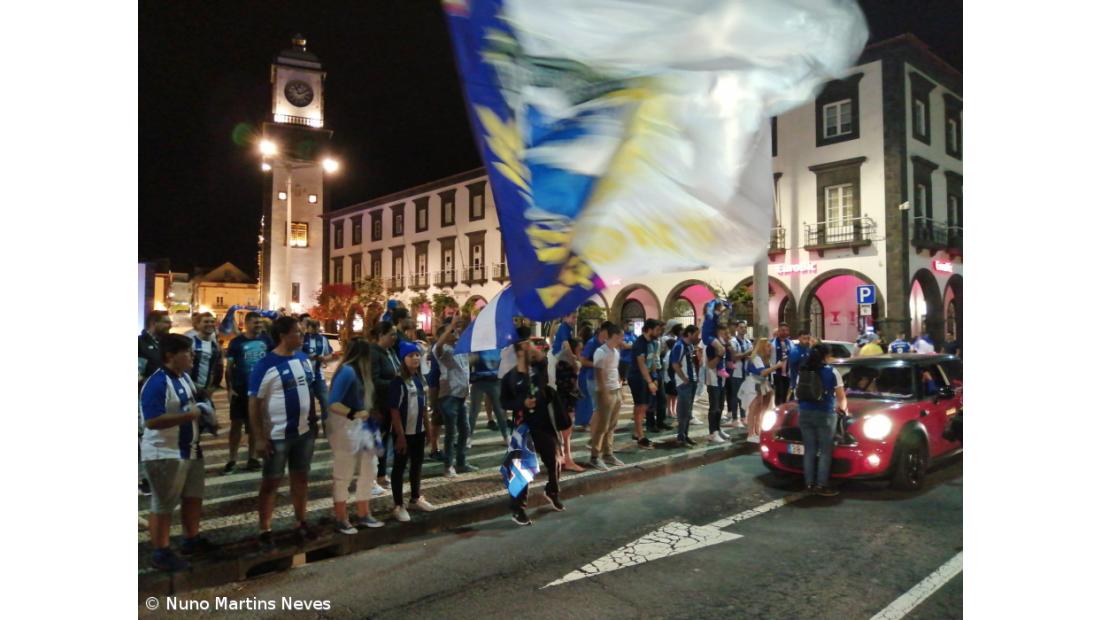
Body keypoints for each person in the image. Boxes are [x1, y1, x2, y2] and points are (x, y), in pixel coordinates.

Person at [140, 333, 217, 571]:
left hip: (190, 450)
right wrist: (188, 416)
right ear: (170, 356)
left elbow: (193, 402)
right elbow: (152, 421)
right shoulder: (157, 382)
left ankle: (190, 539)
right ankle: (160, 551)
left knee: (193, 497)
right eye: (187, 352)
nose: (192, 356)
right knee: (163, 504)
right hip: (166, 453)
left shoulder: (183, 377)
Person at [250, 316, 318, 550]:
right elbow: (254, 403)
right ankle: (265, 529)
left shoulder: (302, 358)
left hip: (304, 432)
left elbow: (309, 388)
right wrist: (259, 437)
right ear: (283, 336)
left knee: (301, 478)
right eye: (297, 333)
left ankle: (301, 522)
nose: (302, 336)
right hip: (277, 435)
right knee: (271, 482)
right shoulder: (266, 365)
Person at [502, 326, 566, 525]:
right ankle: (518, 509)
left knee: (554, 458)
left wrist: (529, 347)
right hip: (523, 427)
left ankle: (552, 490)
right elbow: (504, 402)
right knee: (521, 469)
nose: (529, 348)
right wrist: (522, 404)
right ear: (518, 351)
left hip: (543, 423)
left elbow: (541, 358)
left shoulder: (538, 369)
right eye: (525, 346)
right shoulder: (510, 377)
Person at [326, 338, 385, 534]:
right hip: (347, 428)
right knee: (344, 474)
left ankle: (363, 513)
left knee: (369, 470)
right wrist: (354, 413)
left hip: (362, 426)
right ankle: (342, 518)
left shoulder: (357, 372)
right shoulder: (348, 372)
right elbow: (333, 403)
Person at [388, 340, 436, 523]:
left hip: (419, 431)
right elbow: (394, 410)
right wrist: (400, 436)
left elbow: (424, 408)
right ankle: (398, 505)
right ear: (403, 359)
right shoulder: (398, 382)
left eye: (417, 355)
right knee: (399, 468)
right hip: (403, 432)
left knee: (417, 465)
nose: (415, 358)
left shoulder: (419, 379)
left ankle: (415, 498)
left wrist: (429, 430)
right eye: (410, 356)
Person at [223, 312, 273, 474]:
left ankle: (252, 458)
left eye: (260, 323)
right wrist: (230, 388)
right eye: (255, 323)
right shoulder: (236, 343)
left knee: (254, 425)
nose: (258, 326)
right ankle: (232, 459)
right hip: (241, 388)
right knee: (236, 424)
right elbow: (229, 367)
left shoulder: (267, 340)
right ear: (246, 324)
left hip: (260, 390)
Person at [795, 343, 847, 496]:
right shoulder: (832, 372)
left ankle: (809, 484)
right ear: (826, 356)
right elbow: (841, 397)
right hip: (824, 414)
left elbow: (798, 392)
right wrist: (841, 410)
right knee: (825, 451)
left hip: (804, 413)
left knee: (809, 450)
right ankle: (821, 485)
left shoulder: (803, 371)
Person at [138, 310, 174, 495]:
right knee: (146, 438)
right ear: (153, 323)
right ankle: (146, 479)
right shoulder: (140, 344)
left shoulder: (164, 343)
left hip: (165, 398)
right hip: (144, 400)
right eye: (166, 322)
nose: (170, 325)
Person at [435, 318, 476, 477]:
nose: (455, 333)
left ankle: (461, 463)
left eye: (455, 331)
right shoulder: (444, 351)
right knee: (451, 432)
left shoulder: (461, 349)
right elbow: (438, 346)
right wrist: (449, 328)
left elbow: (470, 360)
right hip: (449, 397)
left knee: (464, 430)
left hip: (461, 396)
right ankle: (448, 466)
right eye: (452, 332)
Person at [370, 321, 402, 495]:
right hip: (379, 404)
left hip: (391, 402)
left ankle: (382, 473)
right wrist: (395, 383)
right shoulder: (374, 353)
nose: (394, 338)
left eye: (396, 334)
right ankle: (373, 477)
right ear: (381, 335)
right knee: (378, 440)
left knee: (386, 439)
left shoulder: (390, 352)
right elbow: (374, 381)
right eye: (391, 334)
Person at [589, 324, 626, 469]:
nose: (622, 339)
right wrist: (603, 391)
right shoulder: (601, 351)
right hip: (605, 391)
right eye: (620, 336)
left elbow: (614, 370)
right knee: (602, 426)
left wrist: (620, 389)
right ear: (613, 336)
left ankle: (608, 453)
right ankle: (594, 456)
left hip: (615, 389)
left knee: (612, 425)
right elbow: (598, 373)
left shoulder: (615, 351)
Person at [740, 338, 783, 443]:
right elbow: (762, 372)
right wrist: (777, 366)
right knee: (753, 409)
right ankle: (750, 434)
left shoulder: (765, 359)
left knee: (759, 409)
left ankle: (757, 432)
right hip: (752, 384)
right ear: (762, 347)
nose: (770, 349)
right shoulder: (756, 358)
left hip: (760, 384)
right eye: (768, 347)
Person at [626, 319, 661, 448]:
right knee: (640, 406)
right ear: (649, 329)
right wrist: (649, 381)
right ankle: (640, 435)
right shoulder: (640, 343)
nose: (659, 332)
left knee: (644, 405)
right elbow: (641, 364)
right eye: (657, 330)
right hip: (637, 377)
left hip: (646, 377)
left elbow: (651, 362)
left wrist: (655, 376)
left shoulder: (652, 343)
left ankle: (637, 431)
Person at [555, 338, 586, 472]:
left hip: (567, 399)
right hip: (565, 400)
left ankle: (563, 458)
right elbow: (568, 385)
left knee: (565, 432)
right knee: (566, 432)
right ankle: (567, 460)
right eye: (579, 349)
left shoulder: (565, 362)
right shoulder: (565, 364)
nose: (581, 352)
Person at [468, 347, 509, 445]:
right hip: (479, 381)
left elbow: (504, 363)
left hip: (494, 381)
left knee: (499, 410)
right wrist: (473, 358)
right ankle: (468, 437)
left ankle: (506, 436)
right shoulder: (477, 347)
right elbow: (469, 362)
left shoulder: (498, 347)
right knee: (474, 410)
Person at [669, 324, 701, 446]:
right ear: (689, 334)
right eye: (696, 335)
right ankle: (681, 437)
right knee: (683, 411)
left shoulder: (690, 346)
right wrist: (683, 378)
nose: (697, 337)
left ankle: (685, 435)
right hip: (684, 383)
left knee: (688, 410)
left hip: (691, 380)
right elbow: (675, 364)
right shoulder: (679, 346)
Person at [301, 319, 336, 429]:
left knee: (325, 400)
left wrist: (324, 358)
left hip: (318, 375)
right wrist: (308, 357)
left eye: (317, 327)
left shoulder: (323, 339)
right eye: (313, 327)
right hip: (304, 376)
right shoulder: (302, 338)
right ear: (308, 327)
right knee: (307, 404)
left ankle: (327, 426)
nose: (315, 329)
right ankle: (310, 427)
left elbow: (330, 354)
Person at [578, 321, 612, 433]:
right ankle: (588, 426)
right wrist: (597, 364)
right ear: (604, 331)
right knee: (592, 405)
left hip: (599, 378)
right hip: (589, 377)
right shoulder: (592, 343)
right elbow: (583, 360)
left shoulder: (605, 343)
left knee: (598, 406)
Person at [703, 323, 731, 444]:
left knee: (719, 407)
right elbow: (711, 365)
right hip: (713, 380)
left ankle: (717, 429)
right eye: (725, 333)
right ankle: (712, 432)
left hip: (722, 381)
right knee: (714, 408)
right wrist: (720, 355)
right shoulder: (711, 346)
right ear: (718, 333)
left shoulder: (723, 345)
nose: (727, 335)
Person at [645, 320, 673, 433]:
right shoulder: (645, 343)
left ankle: (661, 421)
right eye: (658, 329)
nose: (660, 331)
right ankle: (650, 424)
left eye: (661, 329)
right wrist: (652, 377)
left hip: (658, 370)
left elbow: (656, 358)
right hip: (650, 373)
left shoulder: (656, 341)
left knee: (662, 398)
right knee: (651, 400)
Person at [725, 320, 752, 429]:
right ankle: (734, 418)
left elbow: (748, 356)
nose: (743, 329)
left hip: (746, 372)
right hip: (736, 372)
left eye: (745, 327)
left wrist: (748, 356)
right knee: (735, 396)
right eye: (741, 327)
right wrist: (747, 354)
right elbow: (734, 357)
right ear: (736, 329)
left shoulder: (748, 342)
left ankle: (743, 417)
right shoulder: (733, 341)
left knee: (744, 395)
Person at [770, 322, 795, 404]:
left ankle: (784, 412)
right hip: (776, 373)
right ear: (778, 331)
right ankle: (778, 412)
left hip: (788, 373)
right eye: (782, 330)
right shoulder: (772, 343)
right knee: (779, 394)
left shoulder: (791, 343)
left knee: (786, 395)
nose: (785, 332)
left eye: (786, 330)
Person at [662, 323, 683, 420]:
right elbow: (669, 366)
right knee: (671, 396)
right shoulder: (670, 354)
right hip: (670, 378)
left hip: (670, 378)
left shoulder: (669, 353)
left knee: (673, 396)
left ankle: (672, 410)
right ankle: (670, 411)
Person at [549, 312, 576, 384]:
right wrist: (573, 361)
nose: (575, 319)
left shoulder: (568, 328)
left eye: (575, 317)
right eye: (573, 317)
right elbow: (566, 345)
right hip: (558, 355)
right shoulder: (563, 327)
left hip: (558, 355)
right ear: (565, 318)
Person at [786, 329, 813, 395]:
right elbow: (794, 366)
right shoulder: (794, 351)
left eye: (808, 338)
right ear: (799, 338)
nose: (806, 340)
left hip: (810, 382)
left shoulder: (810, 349)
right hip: (798, 383)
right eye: (804, 338)